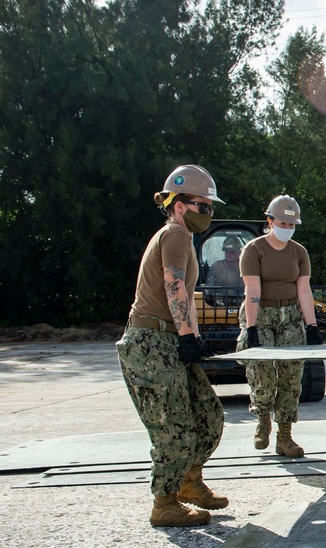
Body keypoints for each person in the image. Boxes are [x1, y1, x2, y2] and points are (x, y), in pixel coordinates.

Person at [115, 164, 228, 528]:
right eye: (203, 206)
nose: (207, 213)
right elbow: (173, 287)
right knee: (174, 427)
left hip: (167, 337)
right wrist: (185, 336)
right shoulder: (175, 235)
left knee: (208, 416)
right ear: (180, 204)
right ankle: (164, 503)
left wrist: (193, 337)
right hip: (151, 342)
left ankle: (188, 483)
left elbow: (185, 295)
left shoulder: (183, 238)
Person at [237, 195, 324, 458]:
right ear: (270, 221)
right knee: (262, 374)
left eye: (291, 224)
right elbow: (252, 290)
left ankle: (284, 437)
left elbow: (304, 290)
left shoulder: (299, 252)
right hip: (261, 313)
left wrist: (312, 326)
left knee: (290, 376)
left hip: (290, 317)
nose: (286, 228)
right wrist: (251, 328)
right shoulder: (253, 250)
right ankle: (263, 420)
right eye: (282, 223)